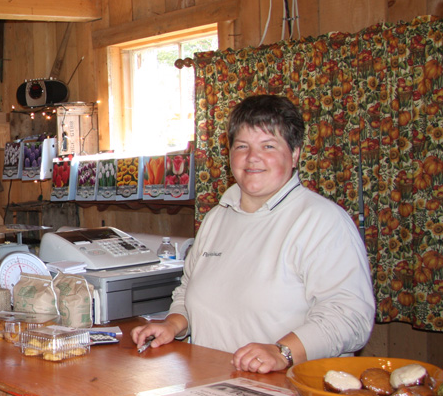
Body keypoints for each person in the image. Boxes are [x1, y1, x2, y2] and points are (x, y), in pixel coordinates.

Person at [131, 94, 375, 373]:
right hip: (209, 384)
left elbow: (350, 317)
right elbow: (188, 290)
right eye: (242, 146)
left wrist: (283, 351)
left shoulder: (322, 221)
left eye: (268, 146)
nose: (252, 158)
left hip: (288, 388)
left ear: (295, 154)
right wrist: (173, 324)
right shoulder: (216, 218)